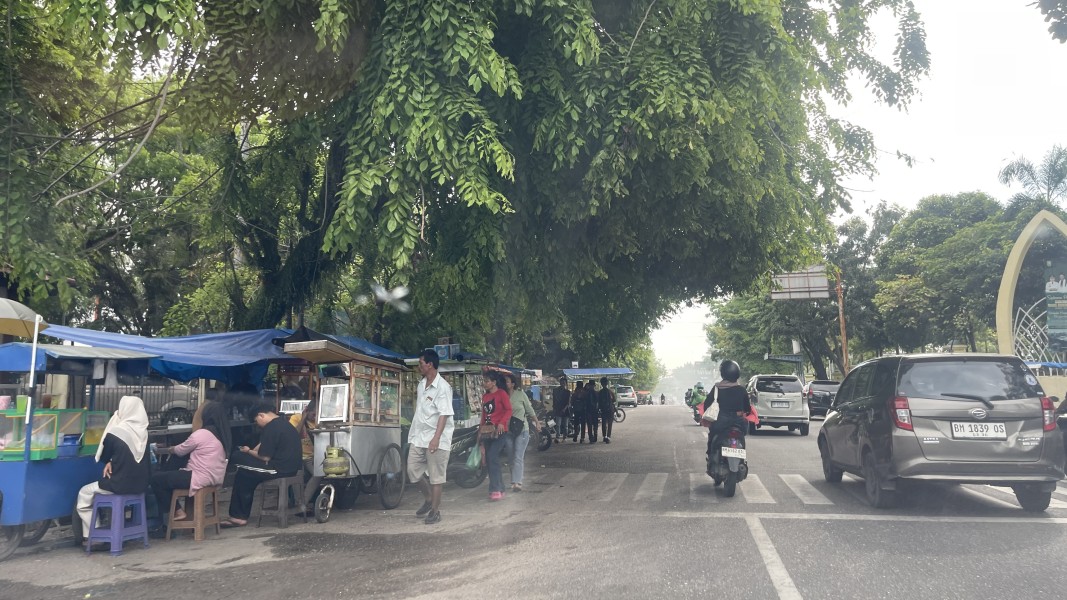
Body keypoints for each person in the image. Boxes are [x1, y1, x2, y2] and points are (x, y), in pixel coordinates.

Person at [76, 396, 152, 538]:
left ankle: (94, 535)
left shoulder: (115, 432)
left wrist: (109, 461)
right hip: (142, 485)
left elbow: (104, 456)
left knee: (84, 494)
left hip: (119, 485)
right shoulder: (145, 433)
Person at [222, 402, 301, 527]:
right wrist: (252, 451)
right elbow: (264, 447)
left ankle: (238, 516)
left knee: (239, 462)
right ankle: (239, 515)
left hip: (278, 469)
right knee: (245, 474)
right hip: (290, 467)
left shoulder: (271, 427)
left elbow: (264, 456)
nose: (257, 424)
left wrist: (248, 452)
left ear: (261, 416)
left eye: (256, 421)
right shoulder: (284, 424)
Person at [151, 401, 230, 524]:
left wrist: (171, 449)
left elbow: (181, 450)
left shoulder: (202, 433)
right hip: (214, 477)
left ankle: (177, 511)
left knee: (157, 479)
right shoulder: (221, 434)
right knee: (169, 477)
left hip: (198, 477)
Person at [408, 349, 454, 524]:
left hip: (438, 438)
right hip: (419, 436)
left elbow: (444, 414)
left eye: (421, 363)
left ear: (430, 364)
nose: (419, 367)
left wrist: (436, 438)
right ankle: (428, 498)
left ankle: (435, 511)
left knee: (436, 476)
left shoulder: (443, 387)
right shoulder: (421, 385)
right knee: (412, 470)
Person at [703, 360, 751, 468]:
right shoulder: (742, 390)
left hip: (720, 421)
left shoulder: (717, 389)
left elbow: (707, 404)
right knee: (741, 437)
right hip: (739, 422)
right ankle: (741, 459)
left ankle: (710, 455)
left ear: (723, 373)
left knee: (712, 435)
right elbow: (747, 408)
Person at [477, 371, 512, 501]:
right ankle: (499, 488)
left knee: (492, 456)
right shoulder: (485, 397)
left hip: (500, 432)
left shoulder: (502, 394)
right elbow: (484, 416)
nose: (484, 384)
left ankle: (495, 489)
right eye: (484, 381)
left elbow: (509, 410)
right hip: (487, 431)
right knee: (490, 460)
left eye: (487, 381)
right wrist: (480, 431)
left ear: (494, 382)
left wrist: (502, 423)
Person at [505, 373, 541, 492]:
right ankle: (514, 479)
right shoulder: (503, 395)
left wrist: (537, 422)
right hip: (508, 430)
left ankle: (517, 482)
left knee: (518, 456)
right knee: (511, 456)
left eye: (508, 381)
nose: (506, 383)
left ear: (513, 384)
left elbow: (529, 409)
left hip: (522, 429)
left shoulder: (521, 394)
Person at [289, 400, 320, 517]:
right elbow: (293, 434)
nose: (315, 417)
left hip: (311, 457)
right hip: (297, 455)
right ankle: (299, 504)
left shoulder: (318, 422)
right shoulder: (296, 418)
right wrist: (303, 418)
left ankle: (303, 503)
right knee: (296, 476)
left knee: (317, 474)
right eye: (313, 414)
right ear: (307, 411)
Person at [597, 377, 616, 443]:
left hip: (603, 410)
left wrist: (599, 409)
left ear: (601, 384)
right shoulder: (610, 392)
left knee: (604, 423)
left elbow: (598, 402)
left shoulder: (600, 392)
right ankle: (608, 436)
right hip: (610, 409)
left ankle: (605, 436)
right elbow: (614, 400)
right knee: (610, 423)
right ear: (607, 383)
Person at [553, 377, 571, 442]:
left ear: (566, 383)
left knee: (565, 425)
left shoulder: (568, 392)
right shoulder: (555, 391)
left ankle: (564, 437)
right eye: (561, 382)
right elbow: (554, 401)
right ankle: (557, 437)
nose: (562, 384)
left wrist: (564, 409)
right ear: (560, 383)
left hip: (565, 410)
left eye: (564, 383)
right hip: (558, 410)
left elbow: (568, 402)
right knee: (558, 424)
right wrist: (554, 409)